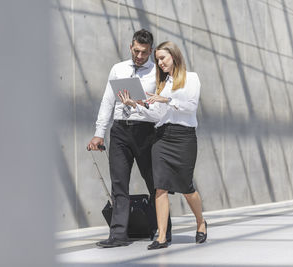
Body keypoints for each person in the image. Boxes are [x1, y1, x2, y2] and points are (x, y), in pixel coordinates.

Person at [118, 41, 207, 250]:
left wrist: (166, 100)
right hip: (162, 138)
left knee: (186, 187)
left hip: (184, 137)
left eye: (162, 58)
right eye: (157, 60)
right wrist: (136, 106)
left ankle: (200, 222)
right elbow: (156, 115)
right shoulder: (163, 83)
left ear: (174, 56)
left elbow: (191, 106)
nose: (159, 63)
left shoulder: (191, 78)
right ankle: (162, 236)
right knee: (160, 187)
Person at [87, 29, 171, 248]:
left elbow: (163, 104)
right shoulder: (118, 69)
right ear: (131, 47)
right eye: (136, 51)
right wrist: (99, 133)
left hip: (147, 131)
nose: (139, 56)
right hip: (120, 131)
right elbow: (107, 101)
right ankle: (117, 236)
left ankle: (163, 232)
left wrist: (142, 105)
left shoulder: (157, 72)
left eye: (144, 52)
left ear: (151, 51)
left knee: (155, 182)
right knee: (119, 183)